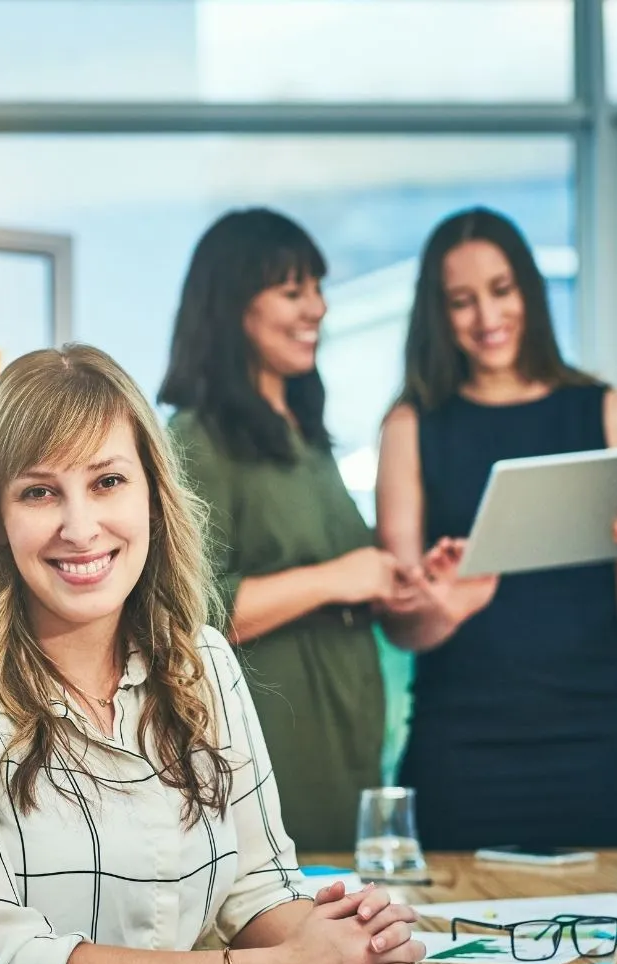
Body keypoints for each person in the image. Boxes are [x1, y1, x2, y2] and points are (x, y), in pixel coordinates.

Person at [0, 345, 423, 964]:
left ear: (151, 494)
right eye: (40, 492)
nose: (80, 527)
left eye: (107, 481)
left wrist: (351, 946)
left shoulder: (202, 663)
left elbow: (256, 887)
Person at [375, 207, 617, 852]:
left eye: (501, 291)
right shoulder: (410, 425)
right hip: (460, 755)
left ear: (530, 293)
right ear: (439, 313)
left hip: (603, 749)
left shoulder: (609, 414)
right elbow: (403, 626)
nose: (487, 319)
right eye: (462, 302)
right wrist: (442, 605)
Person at [160, 209, 418, 855]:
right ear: (233, 305)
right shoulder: (197, 437)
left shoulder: (307, 437)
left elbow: (343, 574)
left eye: (318, 289)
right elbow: (185, 614)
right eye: (293, 290)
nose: (317, 309)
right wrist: (336, 578)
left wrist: (393, 578)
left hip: (346, 745)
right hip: (271, 750)